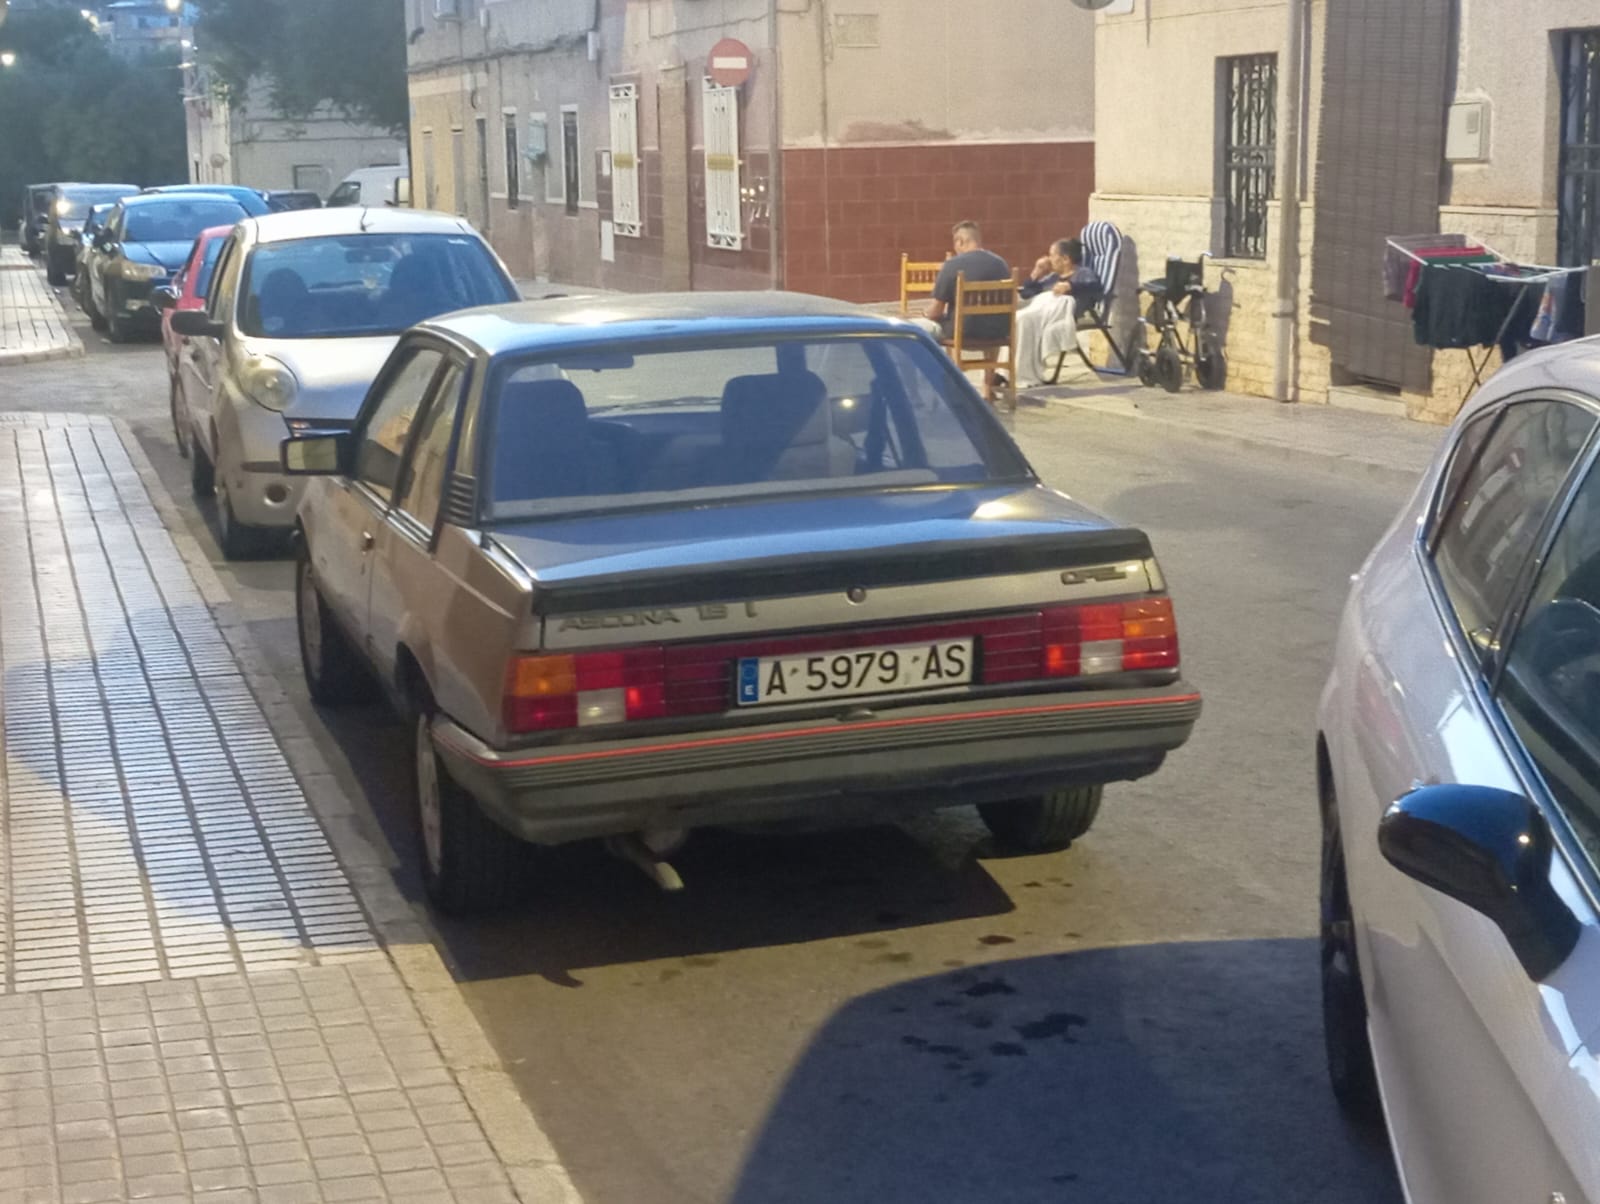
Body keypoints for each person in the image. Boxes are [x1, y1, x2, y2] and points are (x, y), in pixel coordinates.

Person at [1012, 237, 1104, 390]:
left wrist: (1070, 286)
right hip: (1042, 312)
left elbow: (1096, 289)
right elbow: (1027, 294)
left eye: (1052, 255)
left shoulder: (1082, 273)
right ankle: (1007, 372)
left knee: (1024, 320)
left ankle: (1023, 373)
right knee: (1016, 319)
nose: (1049, 259)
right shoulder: (1053, 278)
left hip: (1062, 313)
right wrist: (1037, 272)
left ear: (1065, 259)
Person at [911, 221, 1013, 344]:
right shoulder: (1001, 264)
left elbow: (935, 312)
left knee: (912, 328)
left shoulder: (952, 265)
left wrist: (923, 314)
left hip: (962, 331)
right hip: (998, 332)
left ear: (960, 242)